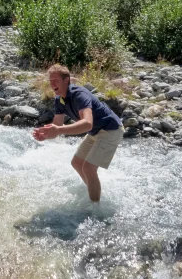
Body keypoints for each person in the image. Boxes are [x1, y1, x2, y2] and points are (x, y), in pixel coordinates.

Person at [33, 65, 124, 202]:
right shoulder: (59, 99)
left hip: (110, 129)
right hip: (95, 132)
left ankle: (96, 208)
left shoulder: (79, 95)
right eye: (50, 80)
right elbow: (57, 126)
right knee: (77, 163)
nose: (52, 84)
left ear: (67, 80)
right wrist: (45, 134)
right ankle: (94, 191)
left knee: (88, 168)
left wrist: (58, 130)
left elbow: (87, 123)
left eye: (56, 80)